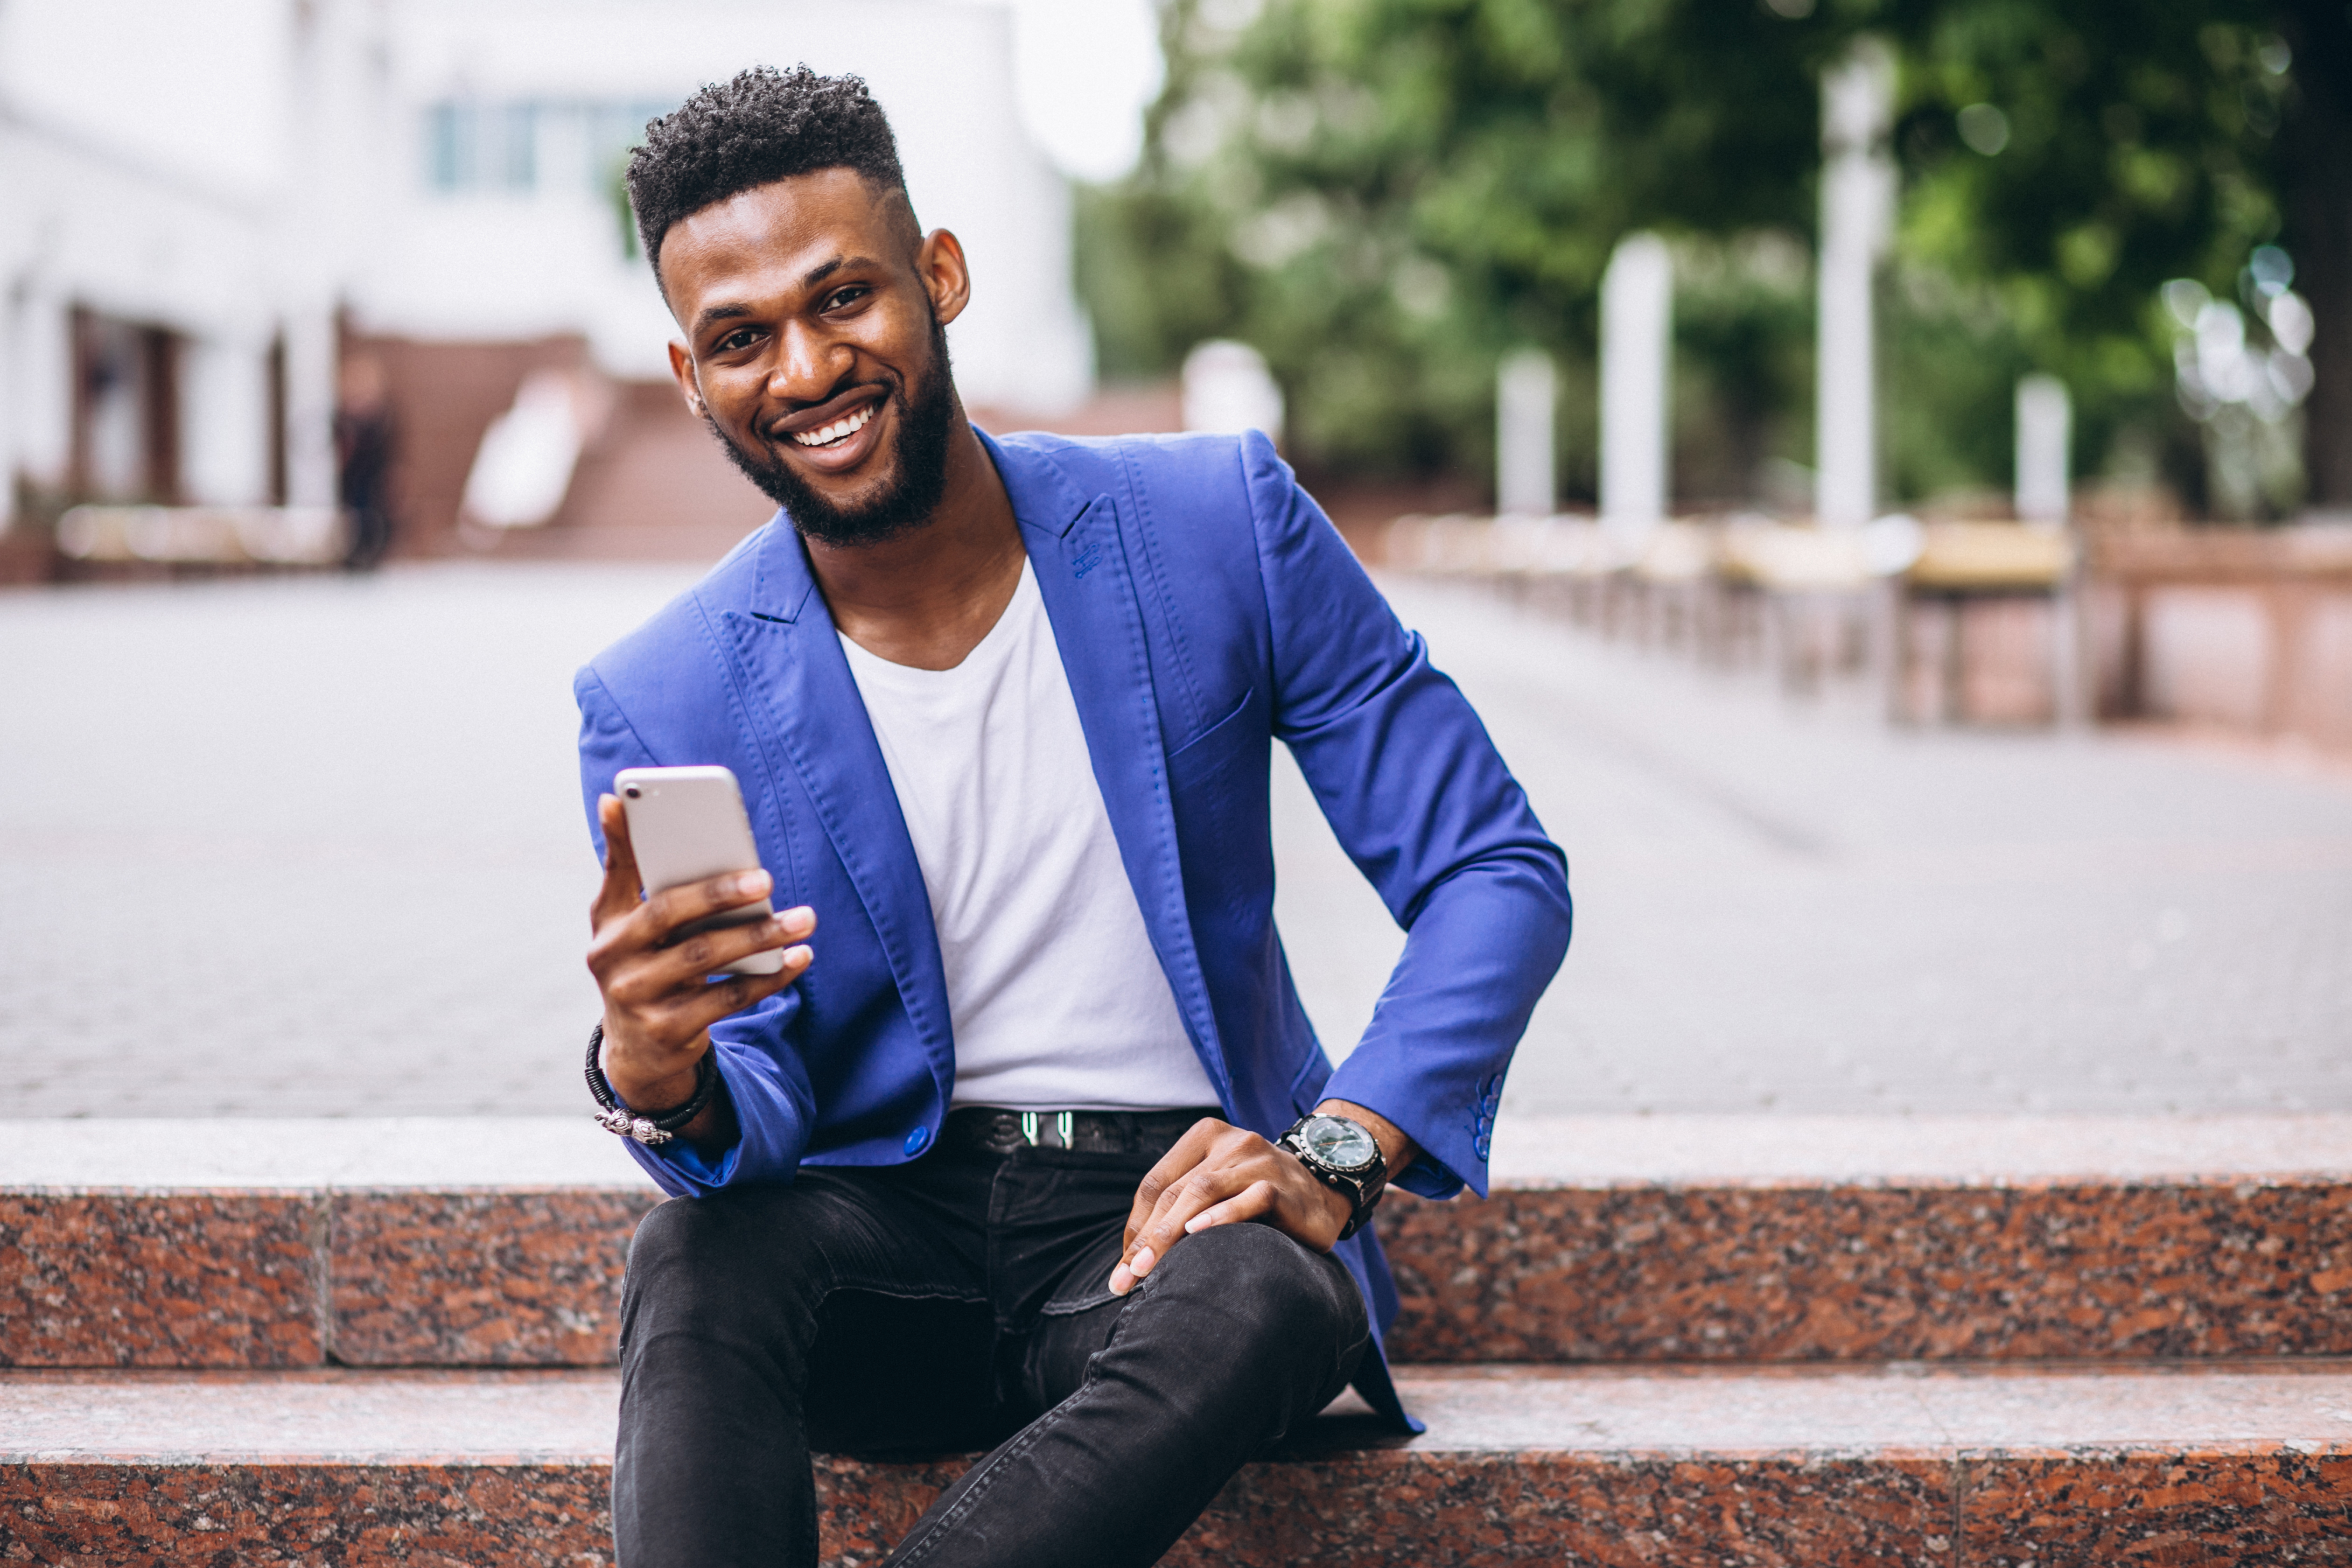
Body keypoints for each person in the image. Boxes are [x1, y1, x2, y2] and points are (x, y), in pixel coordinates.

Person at [574, 65, 1571, 1568]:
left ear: (940, 275)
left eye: (843, 298)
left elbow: (1494, 866)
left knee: (1265, 1287)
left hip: (1173, 1220)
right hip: (882, 1242)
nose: (806, 369)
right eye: (741, 338)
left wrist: (1340, 1151)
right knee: (693, 1254)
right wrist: (662, 1079)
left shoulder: (1219, 524)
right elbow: (753, 1093)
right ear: (688, 375)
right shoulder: (662, 692)